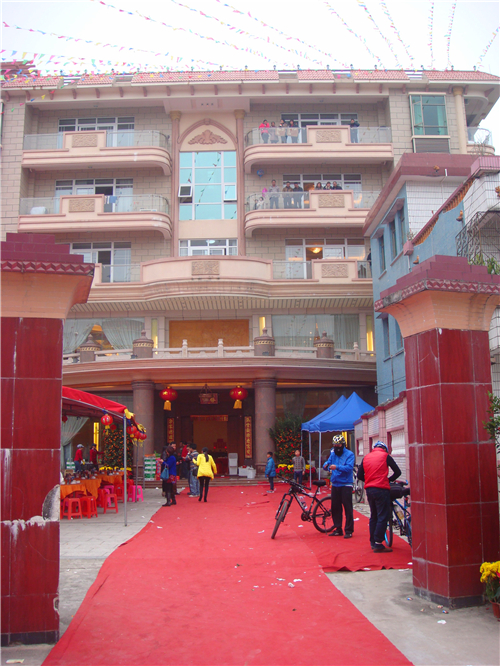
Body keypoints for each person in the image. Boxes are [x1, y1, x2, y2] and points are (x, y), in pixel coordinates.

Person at [356, 441, 401, 553]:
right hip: (381, 489)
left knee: (374, 515)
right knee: (382, 515)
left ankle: (373, 541)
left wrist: (369, 480)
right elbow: (397, 472)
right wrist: (388, 480)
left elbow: (360, 475)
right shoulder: (385, 456)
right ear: (384, 449)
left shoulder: (366, 457)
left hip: (369, 489)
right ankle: (378, 543)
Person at [322, 434, 355, 538]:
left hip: (346, 484)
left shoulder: (349, 454)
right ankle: (338, 528)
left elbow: (349, 468)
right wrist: (326, 465)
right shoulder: (333, 453)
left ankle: (349, 530)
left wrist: (337, 467)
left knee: (347, 507)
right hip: (335, 483)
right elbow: (328, 462)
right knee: (335, 507)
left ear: (343, 444)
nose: (336, 447)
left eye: (338, 445)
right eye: (335, 445)